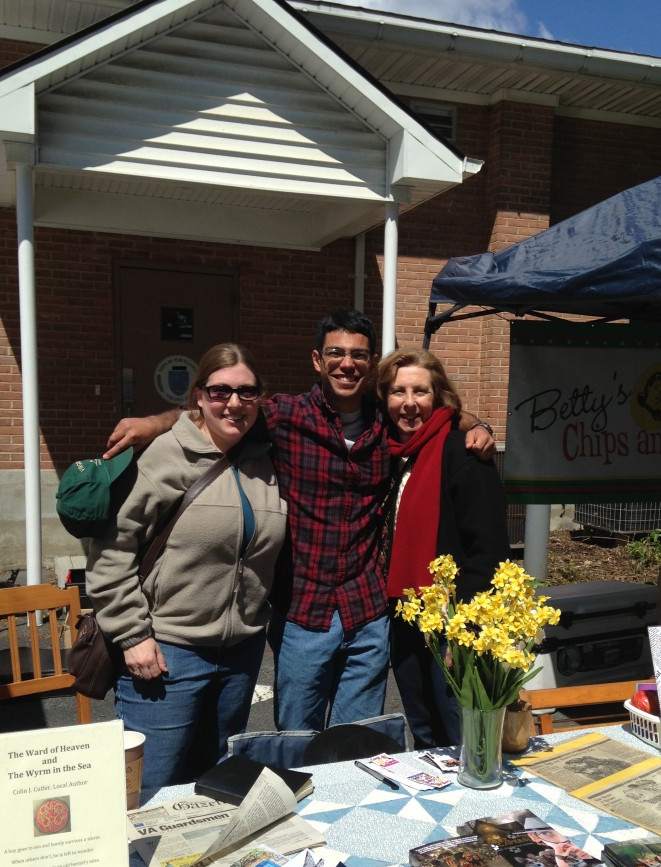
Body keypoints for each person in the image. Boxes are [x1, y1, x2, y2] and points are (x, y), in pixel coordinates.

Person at [103, 310, 496, 733]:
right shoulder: (284, 417)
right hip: (304, 615)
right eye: (336, 353)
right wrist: (153, 423)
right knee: (296, 745)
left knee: (357, 748)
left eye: (358, 355)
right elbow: (214, 412)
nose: (347, 364)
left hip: (367, 613)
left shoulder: (386, 423)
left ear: (371, 361)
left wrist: (476, 423)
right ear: (316, 359)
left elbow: (436, 411)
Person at [87, 344, 287, 788]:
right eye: (220, 392)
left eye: (246, 392)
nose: (233, 403)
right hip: (167, 652)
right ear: (198, 396)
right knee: (152, 785)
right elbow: (111, 551)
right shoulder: (165, 456)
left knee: (212, 782)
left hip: (240, 653)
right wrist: (132, 634)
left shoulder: (266, 462)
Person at [375, 348, 510, 749]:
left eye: (421, 391)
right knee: (423, 724)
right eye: (399, 392)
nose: (410, 403)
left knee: (458, 728)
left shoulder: (464, 453)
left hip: (452, 622)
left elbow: (487, 552)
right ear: (385, 398)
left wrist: (466, 627)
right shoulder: (391, 454)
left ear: (439, 397)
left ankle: (476, 807)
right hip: (406, 615)